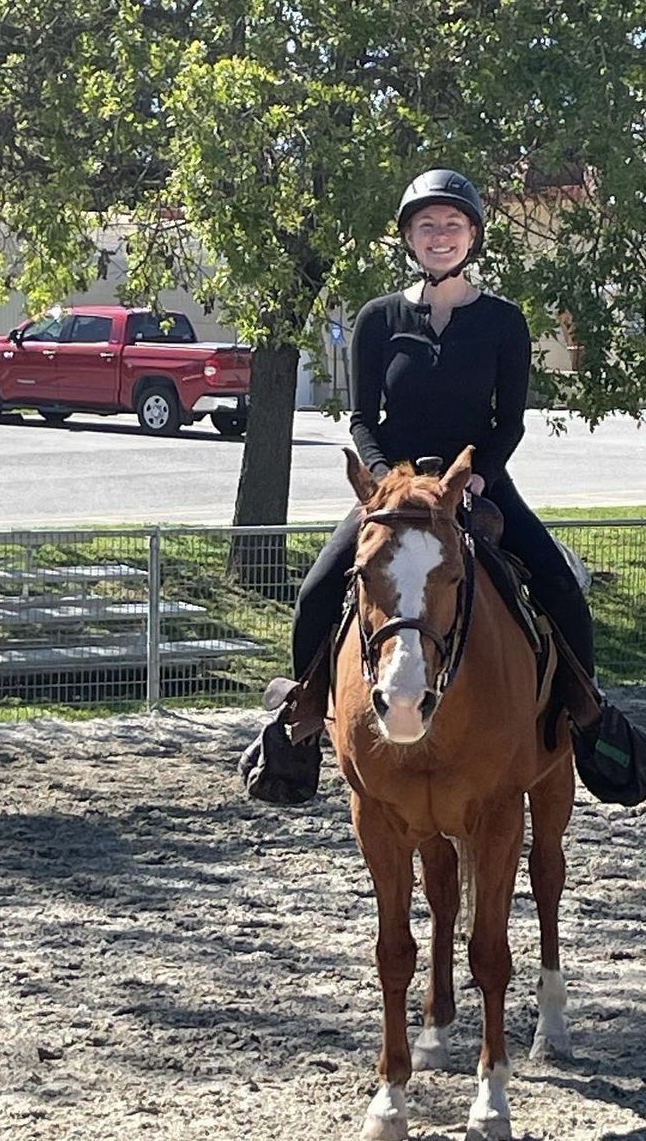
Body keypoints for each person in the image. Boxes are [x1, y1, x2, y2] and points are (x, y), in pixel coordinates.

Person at [240, 167, 601, 804]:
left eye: (453, 225)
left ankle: (586, 719)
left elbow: (509, 421)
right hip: (395, 497)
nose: (441, 236)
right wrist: (383, 485)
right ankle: (301, 724)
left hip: (475, 487)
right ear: (409, 238)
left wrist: (476, 478)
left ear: (472, 237)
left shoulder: (503, 322)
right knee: (317, 592)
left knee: (560, 586)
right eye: (427, 226)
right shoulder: (378, 320)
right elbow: (362, 418)